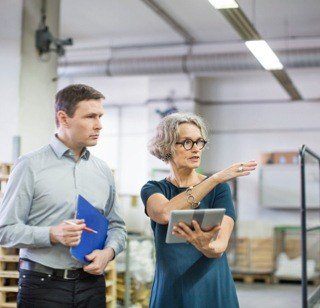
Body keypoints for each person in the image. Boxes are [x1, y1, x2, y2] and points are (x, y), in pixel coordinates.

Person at [0, 84, 127, 307]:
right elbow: (5, 231)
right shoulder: (29, 166)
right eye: (90, 117)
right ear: (64, 118)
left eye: (100, 116)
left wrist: (108, 252)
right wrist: (52, 234)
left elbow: (117, 226)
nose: (99, 125)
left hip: (92, 286)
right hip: (42, 287)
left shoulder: (102, 170)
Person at [140, 112, 257, 308]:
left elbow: (220, 246)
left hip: (212, 286)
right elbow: (164, 213)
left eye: (199, 142)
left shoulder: (219, 189)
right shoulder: (154, 188)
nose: (196, 149)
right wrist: (214, 178)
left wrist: (206, 246)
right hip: (172, 288)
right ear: (167, 147)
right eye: (186, 142)